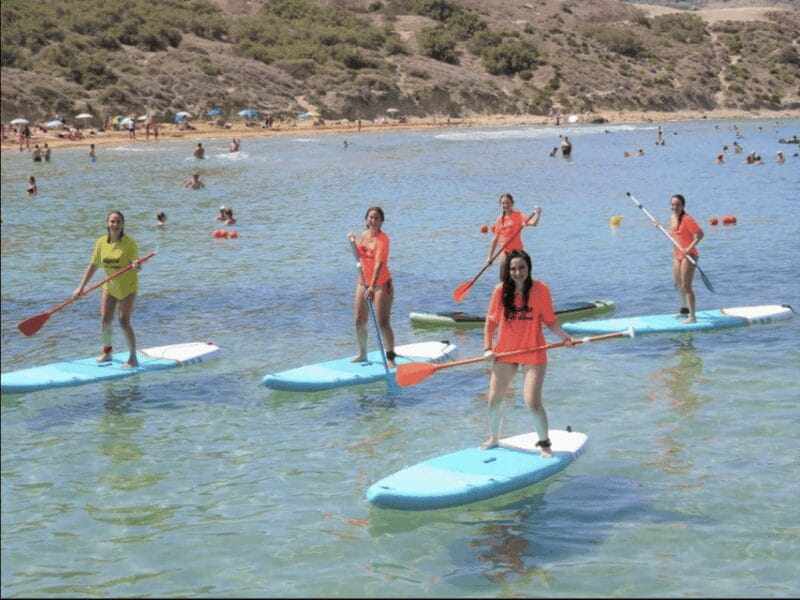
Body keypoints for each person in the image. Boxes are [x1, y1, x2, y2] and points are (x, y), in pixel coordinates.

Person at [482, 249, 575, 456]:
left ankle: (545, 444)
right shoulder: (500, 291)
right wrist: (488, 347)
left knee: (532, 403)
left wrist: (565, 338)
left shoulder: (542, 290)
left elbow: (551, 322)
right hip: (506, 352)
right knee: (494, 400)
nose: (518, 272)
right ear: (508, 271)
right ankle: (494, 438)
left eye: (522, 268)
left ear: (529, 268)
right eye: (513, 269)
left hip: (534, 351)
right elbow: (490, 322)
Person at [73, 211, 144, 368]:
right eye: (112, 221)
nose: (115, 224)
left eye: (118, 221)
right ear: (107, 224)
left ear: (123, 225)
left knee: (123, 321)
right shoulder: (101, 243)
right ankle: (107, 352)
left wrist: (137, 266)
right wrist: (81, 287)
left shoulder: (129, 243)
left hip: (128, 287)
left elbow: (137, 265)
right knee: (105, 320)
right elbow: (93, 265)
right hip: (110, 286)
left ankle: (133, 358)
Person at [348, 206, 395, 367]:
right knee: (359, 320)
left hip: (381, 284)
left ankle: (390, 357)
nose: (373, 221)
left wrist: (372, 286)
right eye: (370, 218)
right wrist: (352, 242)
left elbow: (379, 264)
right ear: (366, 219)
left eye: (376, 218)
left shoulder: (383, 239)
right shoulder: (364, 235)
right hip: (363, 282)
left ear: (381, 221)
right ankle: (363, 354)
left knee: (383, 322)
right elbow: (359, 254)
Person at [665, 194, 704, 324]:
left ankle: (692, 317)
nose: (675, 207)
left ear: (683, 206)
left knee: (686, 286)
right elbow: (672, 235)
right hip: (678, 255)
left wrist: (689, 248)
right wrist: (658, 226)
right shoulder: (672, 219)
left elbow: (700, 234)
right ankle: (684, 311)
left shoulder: (687, 219)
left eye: (678, 205)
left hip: (689, 255)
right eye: (673, 204)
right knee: (677, 283)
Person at [486, 193, 542, 281]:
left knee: (518, 279)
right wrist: (490, 257)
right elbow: (495, 239)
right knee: (502, 278)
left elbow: (533, 223)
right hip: (505, 252)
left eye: (507, 202)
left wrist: (538, 213)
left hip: (517, 253)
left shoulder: (518, 215)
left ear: (512, 203)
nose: (505, 205)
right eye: (503, 203)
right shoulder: (500, 219)